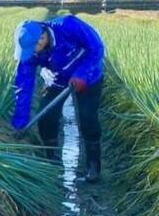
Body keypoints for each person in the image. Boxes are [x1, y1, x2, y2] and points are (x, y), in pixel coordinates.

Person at [11, 15, 106, 182]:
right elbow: (24, 86)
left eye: (34, 49)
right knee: (46, 117)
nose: (32, 54)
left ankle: (93, 166)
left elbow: (96, 47)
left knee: (87, 117)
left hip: (88, 76)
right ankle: (53, 162)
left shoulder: (68, 26)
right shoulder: (30, 54)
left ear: (42, 39)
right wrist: (20, 122)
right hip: (57, 79)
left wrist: (81, 75)